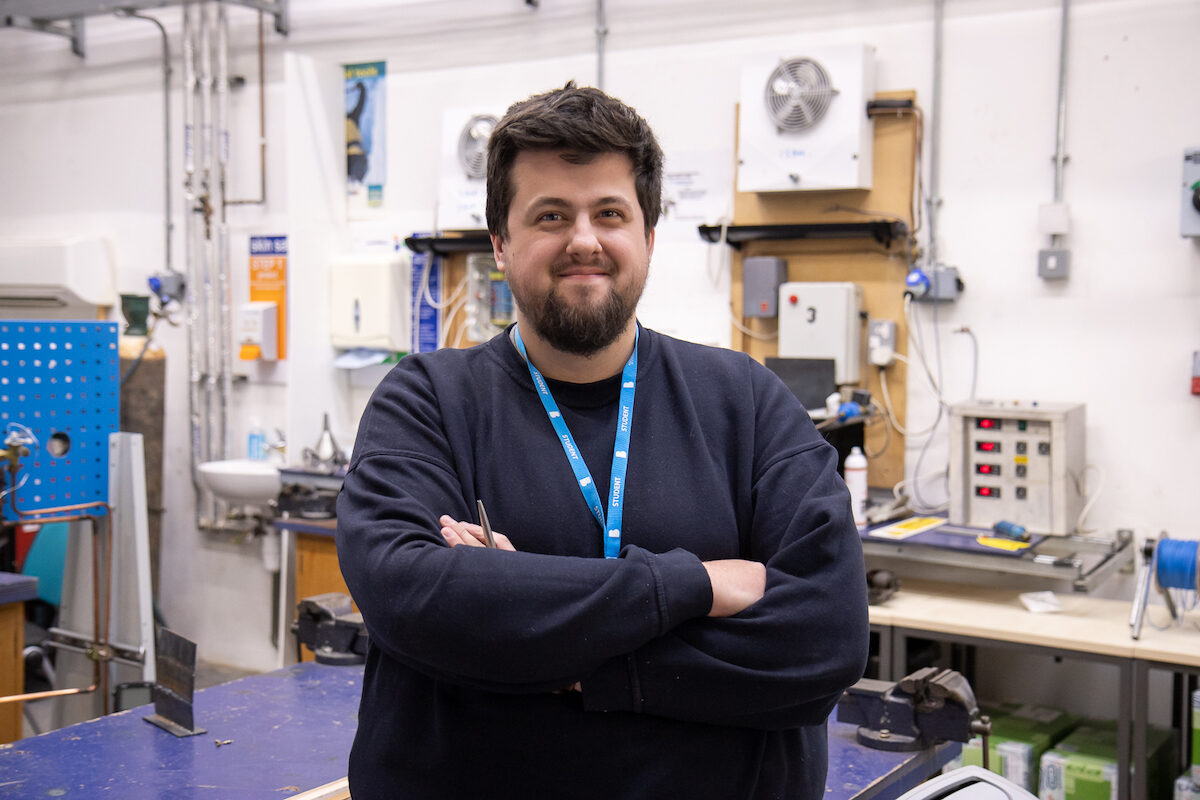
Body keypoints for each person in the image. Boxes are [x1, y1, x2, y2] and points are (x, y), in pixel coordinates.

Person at [335, 81, 869, 800]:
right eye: (550, 214)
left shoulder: (746, 402)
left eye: (609, 213)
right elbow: (416, 599)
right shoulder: (428, 400)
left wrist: (570, 653)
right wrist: (699, 584)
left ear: (648, 236)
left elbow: (824, 636)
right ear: (501, 243)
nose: (583, 239)